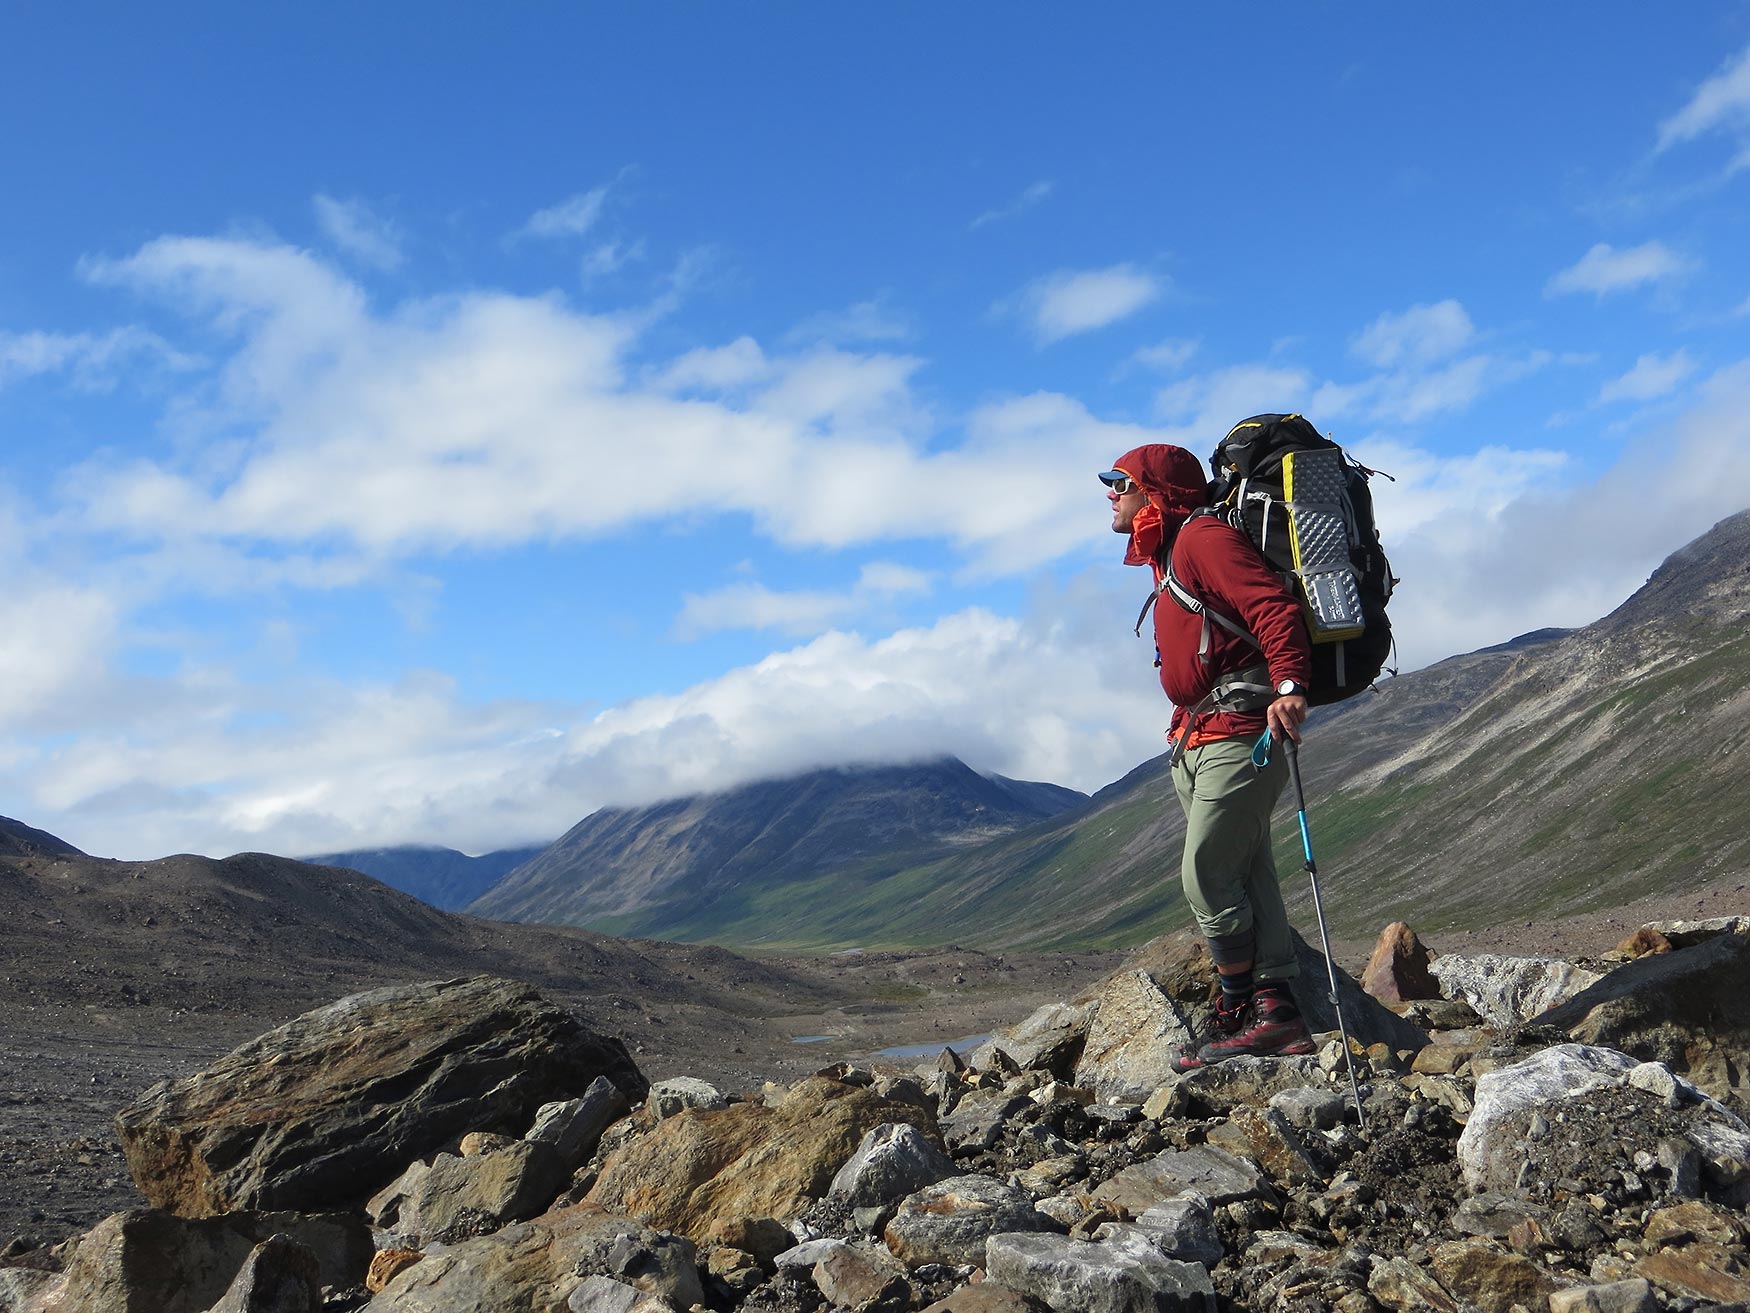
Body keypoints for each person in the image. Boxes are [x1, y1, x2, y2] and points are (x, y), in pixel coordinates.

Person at [1101, 443, 1315, 1068]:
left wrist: (1291, 687)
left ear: (1156, 491)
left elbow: (1271, 608)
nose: (1109, 492)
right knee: (1247, 869)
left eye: (1120, 481)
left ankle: (1233, 1005)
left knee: (1205, 872)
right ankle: (1275, 1011)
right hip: (1198, 736)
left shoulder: (1201, 540)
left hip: (1241, 730)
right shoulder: (1169, 553)